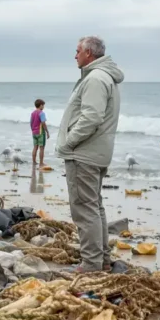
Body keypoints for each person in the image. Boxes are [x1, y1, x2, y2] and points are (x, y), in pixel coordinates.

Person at [56, 36, 124, 273]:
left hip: (84, 153)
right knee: (94, 206)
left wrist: (70, 142)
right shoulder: (104, 77)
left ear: (88, 53)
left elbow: (91, 117)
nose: (75, 56)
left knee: (85, 209)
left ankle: (92, 264)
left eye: (77, 51)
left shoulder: (95, 78)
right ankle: (102, 260)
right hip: (97, 151)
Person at [30, 99, 50, 169]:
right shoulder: (41, 113)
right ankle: (41, 163)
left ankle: (34, 162)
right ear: (41, 105)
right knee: (42, 148)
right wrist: (47, 131)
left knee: (35, 147)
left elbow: (31, 123)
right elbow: (43, 123)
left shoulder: (33, 113)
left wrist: (32, 130)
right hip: (41, 133)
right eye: (43, 105)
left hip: (34, 132)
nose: (43, 107)